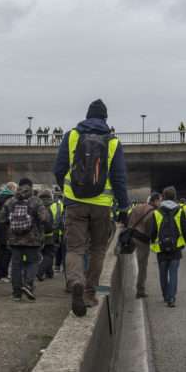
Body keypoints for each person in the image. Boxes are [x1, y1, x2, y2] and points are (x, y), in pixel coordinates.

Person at [53, 99, 130, 317]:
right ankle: (88, 293)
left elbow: (58, 169)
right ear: (105, 119)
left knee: (75, 248)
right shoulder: (113, 142)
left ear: (87, 116)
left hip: (75, 203)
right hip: (101, 206)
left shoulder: (71, 136)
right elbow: (119, 179)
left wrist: (68, 191)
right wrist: (123, 207)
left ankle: (75, 281)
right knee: (97, 250)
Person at [0, 178, 51, 302]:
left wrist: (11, 224)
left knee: (16, 265)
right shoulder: (36, 201)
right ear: (31, 187)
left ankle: (16, 293)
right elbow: (44, 218)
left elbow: (1, 218)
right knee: (33, 262)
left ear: (19, 187)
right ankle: (28, 285)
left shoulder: (11, 201)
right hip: (33, 239)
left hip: (14, 239)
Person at [148, 186, 186, 307]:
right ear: (174, 196)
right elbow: (185, 229)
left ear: (163, 197)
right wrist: (184, 241)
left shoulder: (156, 212)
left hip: (161, 248)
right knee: (173, 273)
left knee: (162, 273)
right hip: (176, 247)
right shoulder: (180, 210)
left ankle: (165, 295)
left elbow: (153, 232)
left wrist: (152, 242)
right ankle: (171, 298)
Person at [125, 192, 161, 298]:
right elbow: (151, 229)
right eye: (160, 200)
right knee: (142, 266)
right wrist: (153, 240)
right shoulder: (153, 212)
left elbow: (128, 217)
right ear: (155, 201)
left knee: (127, 258)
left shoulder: (138, 207)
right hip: (142, 239)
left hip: (131, 236)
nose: (161, 202)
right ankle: (140, 290)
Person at [0, 182, 17, 283]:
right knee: (7, 253)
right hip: (8, 229)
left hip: (0, 229)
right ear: (12, 189)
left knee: (1, 253)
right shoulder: (11, 199)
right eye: (16, 189)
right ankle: (3, 275)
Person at [37, 189, 57, 281]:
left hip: (37, 234)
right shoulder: (53, 205)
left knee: (43, 253)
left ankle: (49, 273)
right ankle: (40, 272)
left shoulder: (37, 205)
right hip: (49, 234)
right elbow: (56, 220)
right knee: (49, 254)